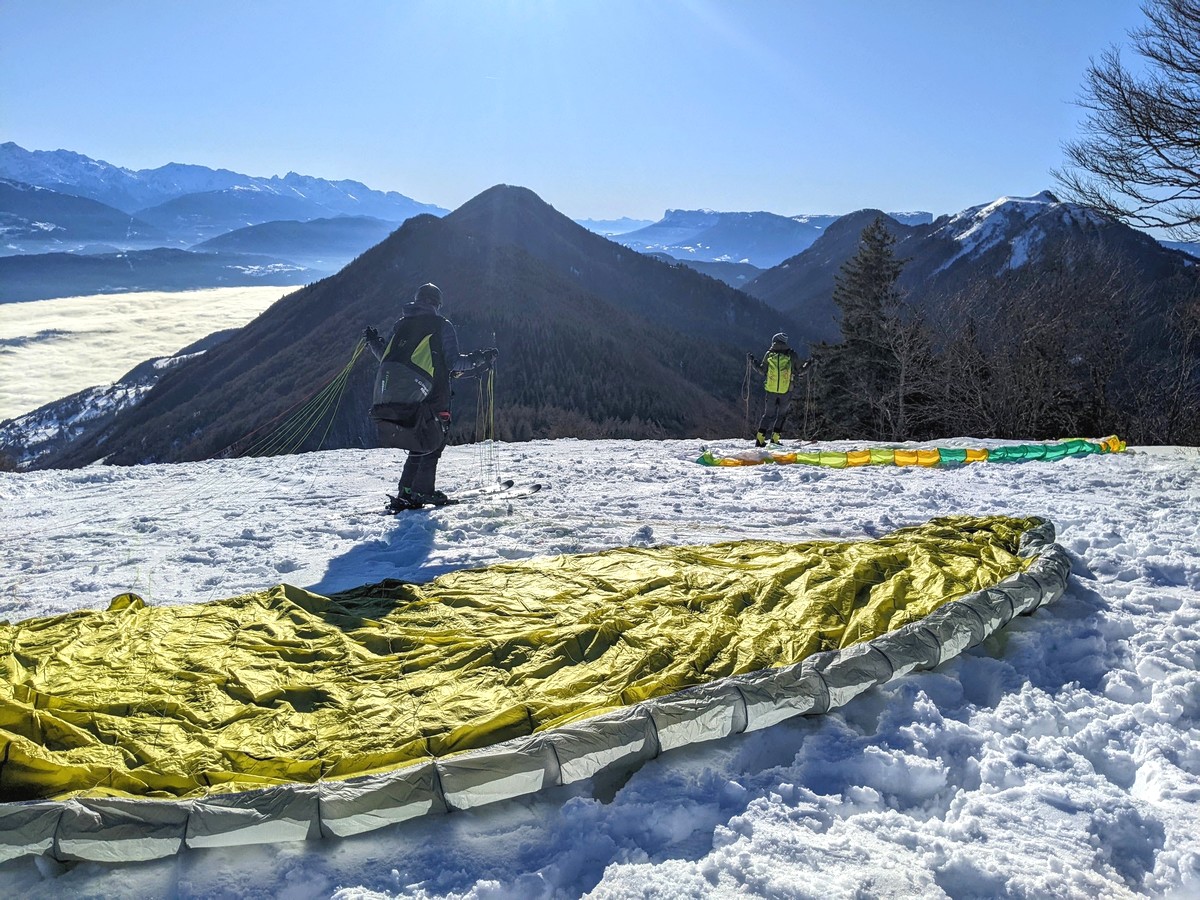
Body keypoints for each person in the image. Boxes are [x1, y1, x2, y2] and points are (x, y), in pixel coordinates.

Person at [363, 282, 497, 510]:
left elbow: (388, 357)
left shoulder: (401, 325)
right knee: (433, 444)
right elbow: (454, 363)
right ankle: (423, 492)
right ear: (437, 304)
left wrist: (373, 342)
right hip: (434, 396)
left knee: (417, 443)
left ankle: (406, 491)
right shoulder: (441, 325)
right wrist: (480, 358)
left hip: (407, 397)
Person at [747, 332, 807, 447]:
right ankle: (775, 439)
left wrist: (752, 360)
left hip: (771, 390)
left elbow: (762, 371)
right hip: (786, 391)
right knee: (781, 415)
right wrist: (810, 363)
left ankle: (760, 439)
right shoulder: (791, 355)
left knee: (768, 415)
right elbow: (800, 372)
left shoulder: (769, 354)